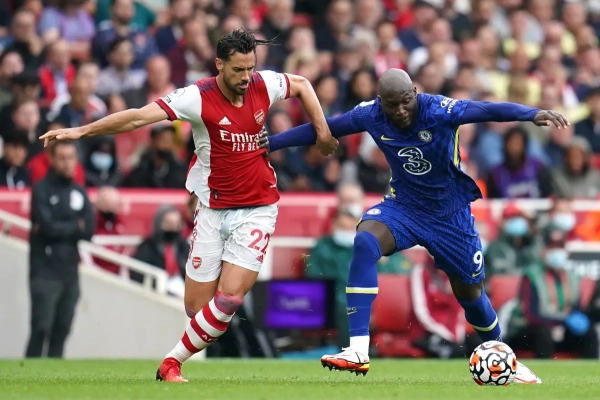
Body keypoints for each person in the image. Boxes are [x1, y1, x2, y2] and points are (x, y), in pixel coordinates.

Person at [39, 28, 337, 382]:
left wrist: (322, 132)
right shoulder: (196, 97)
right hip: (211, 209)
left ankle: (171, 363)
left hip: (258, 207)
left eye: (250, 68)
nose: (246, 77)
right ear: (219, 64)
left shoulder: (264, 84)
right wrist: (81, 131)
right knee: (198, 310)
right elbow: (136, 116)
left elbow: (301, 83)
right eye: (238, 70)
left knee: (228, 300)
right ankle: (197, 341)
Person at [259, 68, 570, 383]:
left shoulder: (440, 110)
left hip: (450, 216)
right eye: (392, 104)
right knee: (365, 241)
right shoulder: (370, 114)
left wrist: (531, 114)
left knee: (470, 294)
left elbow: (487, 110)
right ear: (381, 102)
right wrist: (273, 143)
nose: (400, 110)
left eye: (406, 101)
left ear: (415, 93)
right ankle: (357, 350)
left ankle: (505, 357)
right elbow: (325, 127)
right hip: (404, 208)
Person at [26, 141, 95, 358]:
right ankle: (29, 371)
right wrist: (75, 225)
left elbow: (89, 229)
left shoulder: (79, 191)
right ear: (52, 160)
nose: (67, 163)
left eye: (71, 158)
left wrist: (62, 226)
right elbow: (47, 227)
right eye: (62, 158)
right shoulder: (41, 189)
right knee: (41, 327)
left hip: (70, 271)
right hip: (44, 269)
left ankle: (53, 373)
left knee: (62, 328)